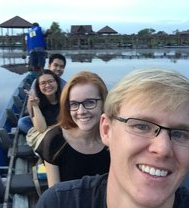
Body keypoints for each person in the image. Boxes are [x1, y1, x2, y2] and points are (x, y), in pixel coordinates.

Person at [36, 69, 189, 208]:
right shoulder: (58, 201)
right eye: (141, 126)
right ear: (106, 130)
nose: (162, 148)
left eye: (180, 134)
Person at [35, 71, 110, 187]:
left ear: (104, 102)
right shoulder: (55, 140)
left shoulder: (114, 138)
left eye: (90, 102)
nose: (81, 111)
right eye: (74, 104)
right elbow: (55, 194)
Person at [18, 54, 66, 134]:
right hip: (41, 114)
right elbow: (31, 104)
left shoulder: (65, 85)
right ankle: (43, 133)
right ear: (49, 65)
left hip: (58, 117)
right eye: (55, 65)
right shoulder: (37, 82)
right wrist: (34, 119)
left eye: (61, 67)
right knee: (23, 122)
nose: (58, 69)